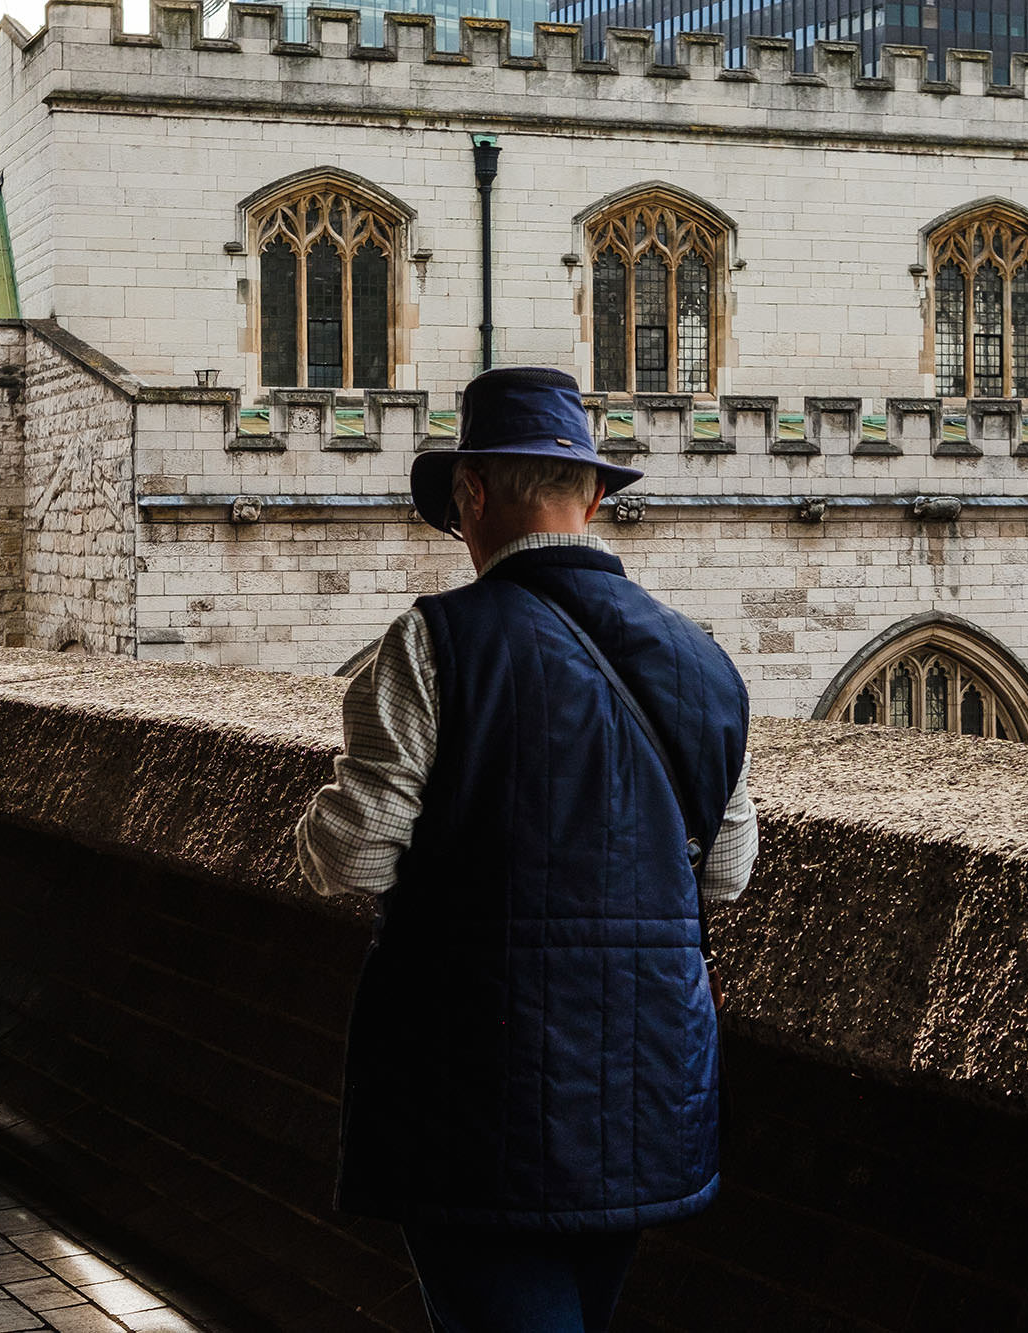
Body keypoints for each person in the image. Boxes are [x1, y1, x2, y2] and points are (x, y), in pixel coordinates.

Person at [296, 367, 758, 1333]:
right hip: (647, 1089)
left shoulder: (434, 643)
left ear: (469, 496)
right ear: (591, 496)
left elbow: (351, 859)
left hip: (477, 1098)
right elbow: (726, 872)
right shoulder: (704, 657)